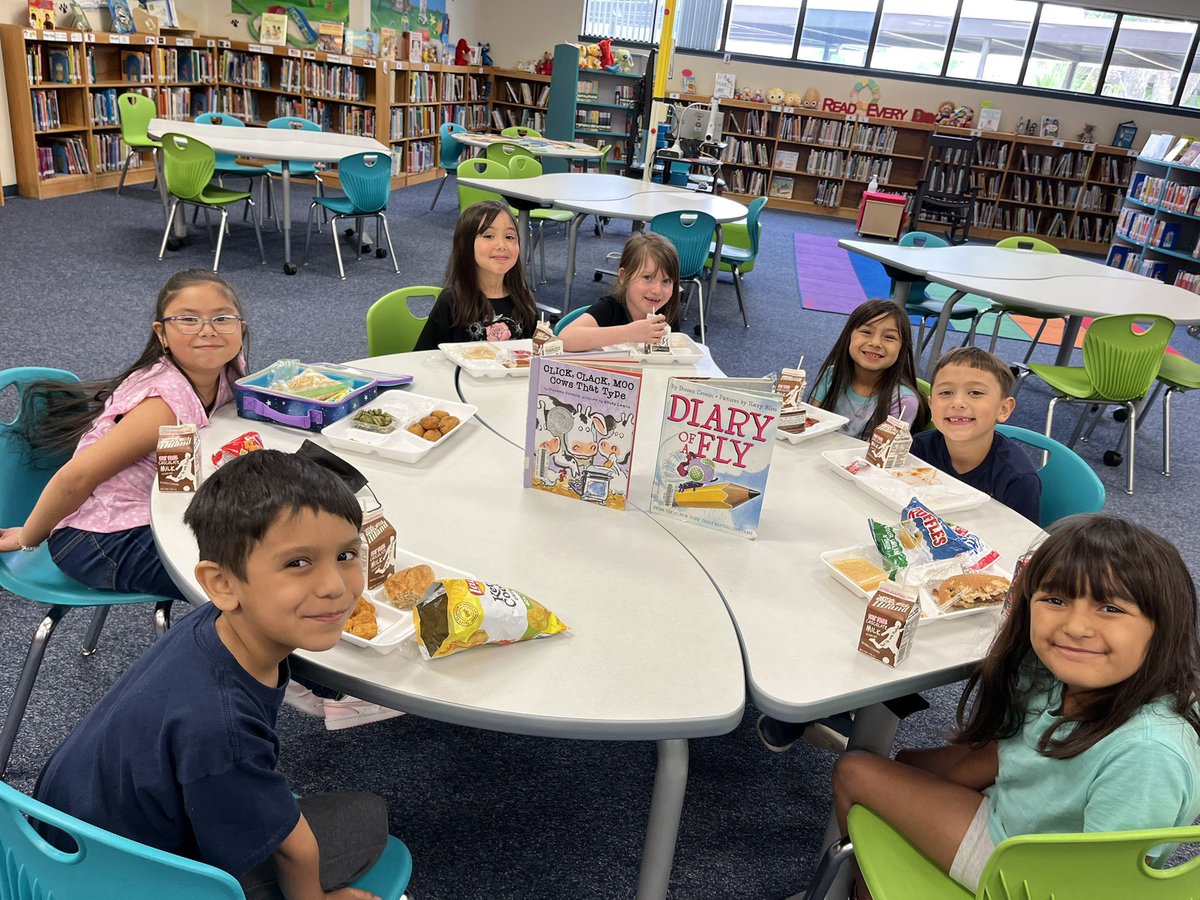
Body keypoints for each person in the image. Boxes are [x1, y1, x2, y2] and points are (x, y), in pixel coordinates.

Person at [34, 450, 391, 900]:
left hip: (58, 841)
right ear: (221, 583)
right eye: (297, 563)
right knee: (367, 820)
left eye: (345, 555)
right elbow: (292, 850)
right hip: (121, 882)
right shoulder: (222, 725)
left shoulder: (212, 627)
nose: (335, 586)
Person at [830, 514, 1200, 898]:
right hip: (1019, 821)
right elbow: (1010, 750)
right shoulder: (1062, 674)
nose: (1076, 627)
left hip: (1026, 873)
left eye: (1110, 608)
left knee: (853, 771)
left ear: (1164, 625)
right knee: (904, 763)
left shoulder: (1148, 755)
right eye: (1056, 600)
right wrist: (925, 793)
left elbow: (1098, 888)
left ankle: (862, 891)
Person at [0, 269, 248, 600]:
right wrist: (28, 537)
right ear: (162, 333)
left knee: (268, 544)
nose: (207, 331)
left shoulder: (229, 369)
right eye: (188, 320)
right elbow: (75, 479)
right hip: (97, 539)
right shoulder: (163, 405)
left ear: (240, 328)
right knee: (246, 585)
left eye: (222, 319)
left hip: (159, 509)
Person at [913, 346, 1041, 522]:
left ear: (1003, 409)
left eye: (975, 393)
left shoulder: (1017, 479)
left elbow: (1022, 542)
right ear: (931, 405)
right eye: (946, 393)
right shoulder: (918, 448)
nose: (957, 403)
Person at [413, 200, 538, 350]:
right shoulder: (451, 301)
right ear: (466, 244)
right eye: (489, 236)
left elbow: (536, 354)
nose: (501, 245)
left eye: (510, 237)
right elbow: (424, 357)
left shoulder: (522, 298)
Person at [809, 298, 929, 439]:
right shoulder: (831, 375)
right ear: (848, 336)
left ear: (902, 348)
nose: (876, 343)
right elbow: (810, 424)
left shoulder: (903, 401)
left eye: (889, 337)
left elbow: (879, 455)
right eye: (866, 332)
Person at [558, 232, 680, 352]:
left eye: (666, 281)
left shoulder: (667, 314)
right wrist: (629, 333)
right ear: (623, 277)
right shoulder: (610, 308)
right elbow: (565, 338)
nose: (657, 290)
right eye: (647, 277)